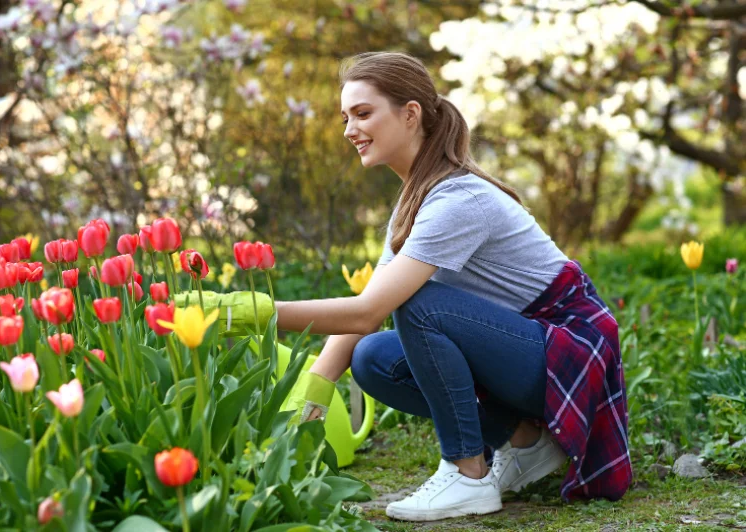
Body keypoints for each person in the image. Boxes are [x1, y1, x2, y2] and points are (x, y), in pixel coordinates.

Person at [219, 51, 632, 522]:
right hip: (523, 348)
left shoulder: (457, 198)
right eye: (345, 117)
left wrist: (248, 312)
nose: (349, 130)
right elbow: (367, 311)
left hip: (568, 351)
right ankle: (524, 440)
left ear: (410, 114)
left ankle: (468, 475)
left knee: (420, 305)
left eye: (363, 113)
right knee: (373, 359)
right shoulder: (417, 199)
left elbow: (368, 310)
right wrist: (316, 392)